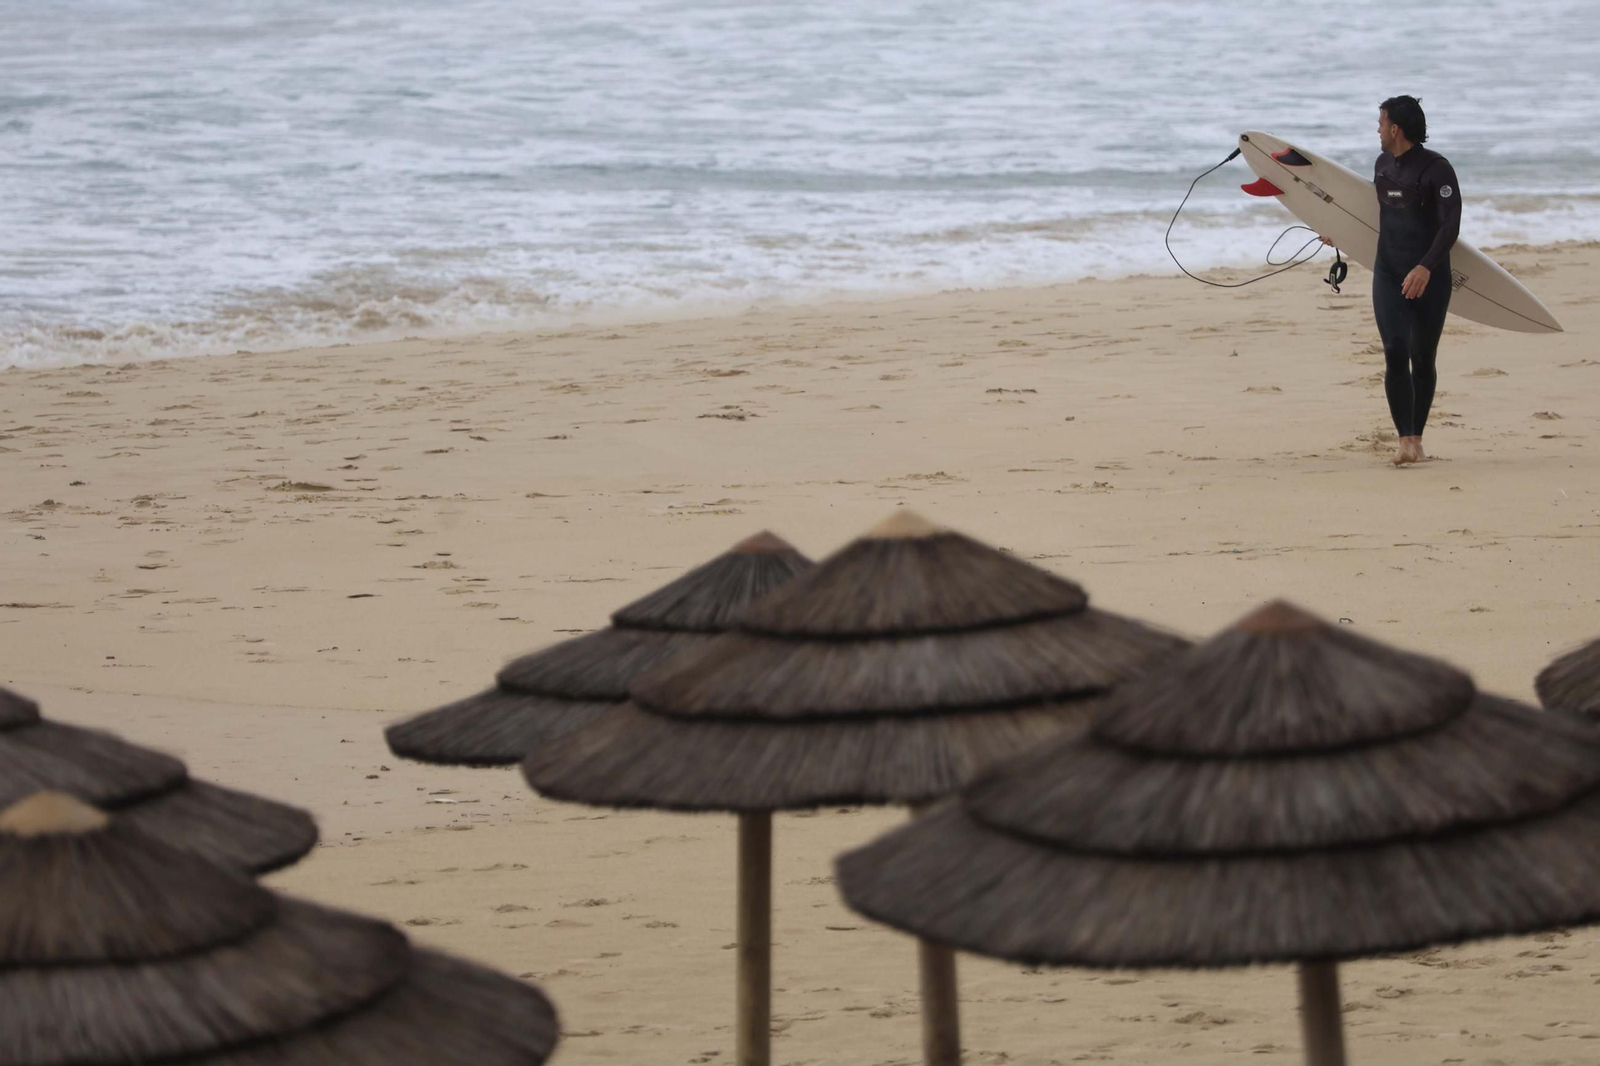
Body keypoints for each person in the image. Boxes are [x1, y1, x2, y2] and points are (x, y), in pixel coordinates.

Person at [1325, 97, 1460, 465]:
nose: (1378, 129)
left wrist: (1426, 268)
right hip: (1388, 271)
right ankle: (1405, 442)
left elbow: (1450, 227)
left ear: (1395, 129)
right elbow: (1376, 215)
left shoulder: (1438, 170)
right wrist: (1341, 234)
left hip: (1429, 275)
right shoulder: (1382, 165)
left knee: (1423, 357)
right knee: (1395, 351)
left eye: (1381, 122)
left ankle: (1417, 437)